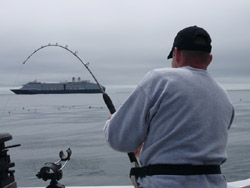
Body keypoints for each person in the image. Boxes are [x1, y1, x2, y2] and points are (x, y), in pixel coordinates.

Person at [104, 26, 234, 188]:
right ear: (209, 59)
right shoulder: (224, 96)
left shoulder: (160, 79)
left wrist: (113, 122)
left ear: (176, 53)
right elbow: (191, 140)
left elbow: (119, 140)